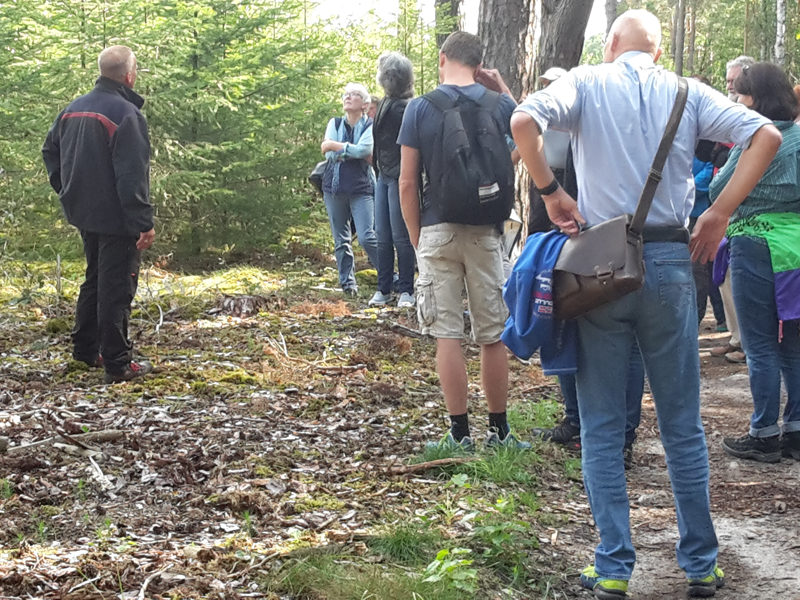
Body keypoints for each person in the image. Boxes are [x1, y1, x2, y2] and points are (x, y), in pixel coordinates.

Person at [511, 10, 780, 599]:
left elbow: (522, 118)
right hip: (668, 263)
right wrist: (719, 211)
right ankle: (702, 566)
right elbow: (768, 135)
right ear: (657, 51)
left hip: (597, 267)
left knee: (603, 427)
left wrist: (552, 192)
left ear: (611, 44)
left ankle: (612, 568)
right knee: (682, 425)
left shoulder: (583, 81)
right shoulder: (686, 91)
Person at [398, 31, 528, 450]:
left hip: (437, 228)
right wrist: (503, 88)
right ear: (479, 64)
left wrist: (418, 239)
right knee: (492, 334)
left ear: (442, 59)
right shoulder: (499, 104)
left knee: (448, 333)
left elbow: (405, 183)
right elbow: (526, 138)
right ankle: (500, 432)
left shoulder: (420, 108)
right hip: (486, 232)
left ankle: (459, 435)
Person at [42, 45, 155, 384]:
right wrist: (142, 223)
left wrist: (67, 190)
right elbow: (132, 174)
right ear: (130, 75)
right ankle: (118, 364)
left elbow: (50, 151)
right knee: (116, 287)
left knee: (94, 280)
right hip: (117, 219)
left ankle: (85, 350)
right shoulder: (125, 114)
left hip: (84, 213)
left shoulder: (73, 109)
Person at [709, 62, 800, 464]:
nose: (736, 101)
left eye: (741, 95)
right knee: (794, 345)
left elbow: (717, 190)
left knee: (760, 343)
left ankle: (763, 433)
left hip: (753, 241)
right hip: (794, 246)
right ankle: (796, 430)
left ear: (756, 100)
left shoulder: (754, 139)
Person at [709, 55, 756, 363]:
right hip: (730, 213)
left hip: (748, 216)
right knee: (725, 275)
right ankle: (738, 338)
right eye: (727, 81)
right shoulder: (728, 115)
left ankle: (751, 343)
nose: (730, 87)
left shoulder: (756, 124)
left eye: (735, 82)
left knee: (743, 278)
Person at [320, 83, 380, 298]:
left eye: (354, 95)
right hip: (334, 188)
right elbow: (328, 155)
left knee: (366, 236)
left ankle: (387, 277)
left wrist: (336, 146)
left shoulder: (370, 125)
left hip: (362, 188)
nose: (348, 97)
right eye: (346, 94)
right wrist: (350, 151)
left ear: (364, 105)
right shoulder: (334, 123)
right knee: (341, 239)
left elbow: (366, 149)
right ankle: (348, 284)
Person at [368, 52, 416, 309]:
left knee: (401, 235)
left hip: (400, 177)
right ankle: (383, 287)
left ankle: (407, 289)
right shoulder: (386, 102)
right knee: (382, 234)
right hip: (383, 176)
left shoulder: (407, 107)